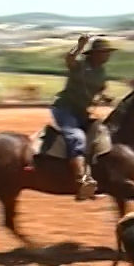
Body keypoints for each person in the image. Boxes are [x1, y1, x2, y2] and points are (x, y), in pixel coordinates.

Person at [51, 34, 117, 201]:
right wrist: (80, 46)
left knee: (98, 135)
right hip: (65, 109)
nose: (107, 56)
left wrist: (105, 97)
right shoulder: (80, 66)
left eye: (108, 52)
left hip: (81, 112)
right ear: (94, 54)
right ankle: (81, 181)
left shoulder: (101, 72)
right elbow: (70, 59)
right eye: (104, 52)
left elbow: (101, 90)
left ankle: (95, 180)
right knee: (77, 137)